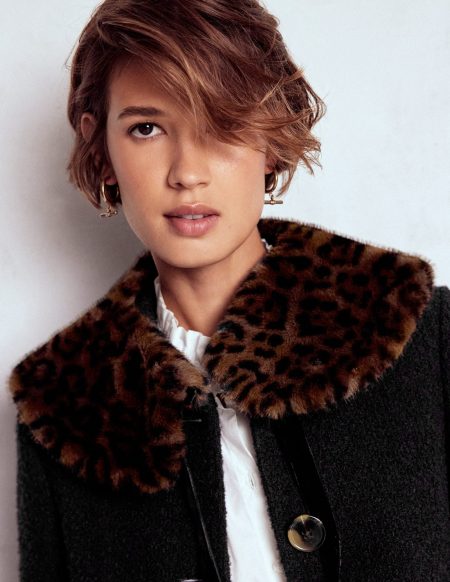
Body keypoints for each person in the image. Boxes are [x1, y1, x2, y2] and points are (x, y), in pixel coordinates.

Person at [8, 0, 450, 581]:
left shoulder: (420, 336)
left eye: (221, 124)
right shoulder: (63, 408)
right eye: (146, 129)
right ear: (102, 150)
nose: (187, 172)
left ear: (271, 139)